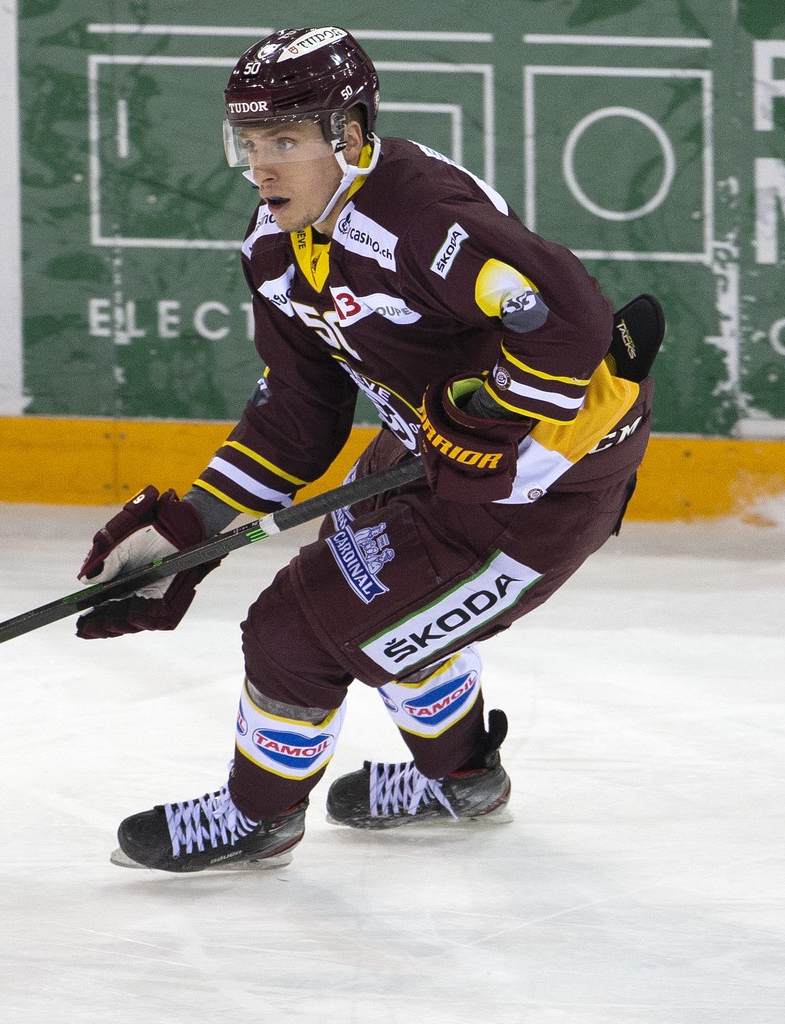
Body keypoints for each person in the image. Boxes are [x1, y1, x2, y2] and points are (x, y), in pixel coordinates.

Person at [76, 26, 656, 872]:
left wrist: (492, 419)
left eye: (285, 140)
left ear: (347, 135)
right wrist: (188, 529)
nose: (261, 167)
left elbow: (567, 317)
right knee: (383, 612)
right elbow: (299, 417)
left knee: (296, 629)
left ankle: (254, 817)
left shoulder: (417, 220)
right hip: (426, 457)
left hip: (536, 491)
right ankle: (462, 779)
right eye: (248, 142)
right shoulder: (277, 248)